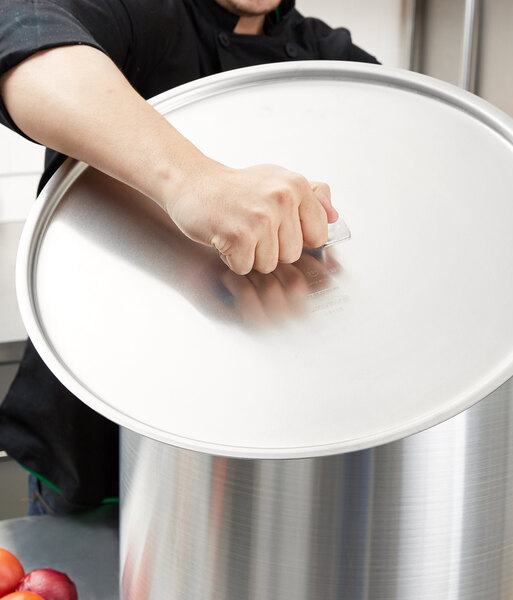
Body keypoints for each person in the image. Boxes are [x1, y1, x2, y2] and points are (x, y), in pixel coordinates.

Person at [0, 0, 378, 513]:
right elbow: (22, 35)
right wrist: (196, 182)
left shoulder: (335, 62)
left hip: (268, 458)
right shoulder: (140, 14)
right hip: (100, 454)